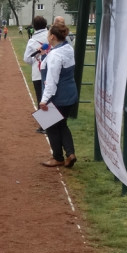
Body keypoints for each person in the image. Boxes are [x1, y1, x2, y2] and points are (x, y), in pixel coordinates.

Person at [38, 22, 78, 168]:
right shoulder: (67, 48)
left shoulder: (55, 54)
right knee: (62, 124)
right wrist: (45, 56)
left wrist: (44, 100)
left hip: (58, 95)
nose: (47, 36)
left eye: (49, 34)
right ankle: (70, 153)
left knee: (50, 124)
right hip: (70, 94)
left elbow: (52, 81)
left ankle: (58, 157)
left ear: (52, 37)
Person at [24, 16, 49, 132]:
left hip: (39, 72)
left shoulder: (33, 41)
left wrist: (36, 59)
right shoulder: (52, 36)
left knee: (41, 96)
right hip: (53, 70)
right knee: (51, 96)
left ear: (34, 26)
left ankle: (45, 125)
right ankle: (52, 122)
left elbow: (27, 59)